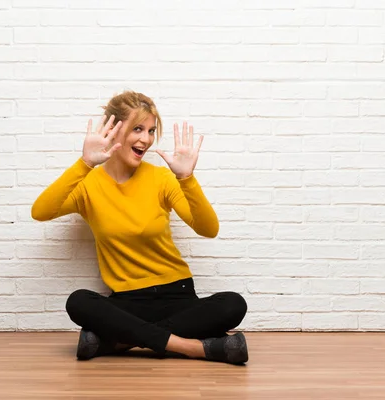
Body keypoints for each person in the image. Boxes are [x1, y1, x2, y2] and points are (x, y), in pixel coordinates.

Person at [31, 91, 248, 365]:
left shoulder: (161, 179)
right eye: (137, 129)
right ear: (113, 129)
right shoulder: (88, 185)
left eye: (151, 130)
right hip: (127, 301)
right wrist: (84, 164)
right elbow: (40, 212)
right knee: (78, 302)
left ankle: (119, 341)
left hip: (176, 293)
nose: (145, 139)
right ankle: (194, 348)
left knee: (233, 304)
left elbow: (208, 229)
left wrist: (186, 178)